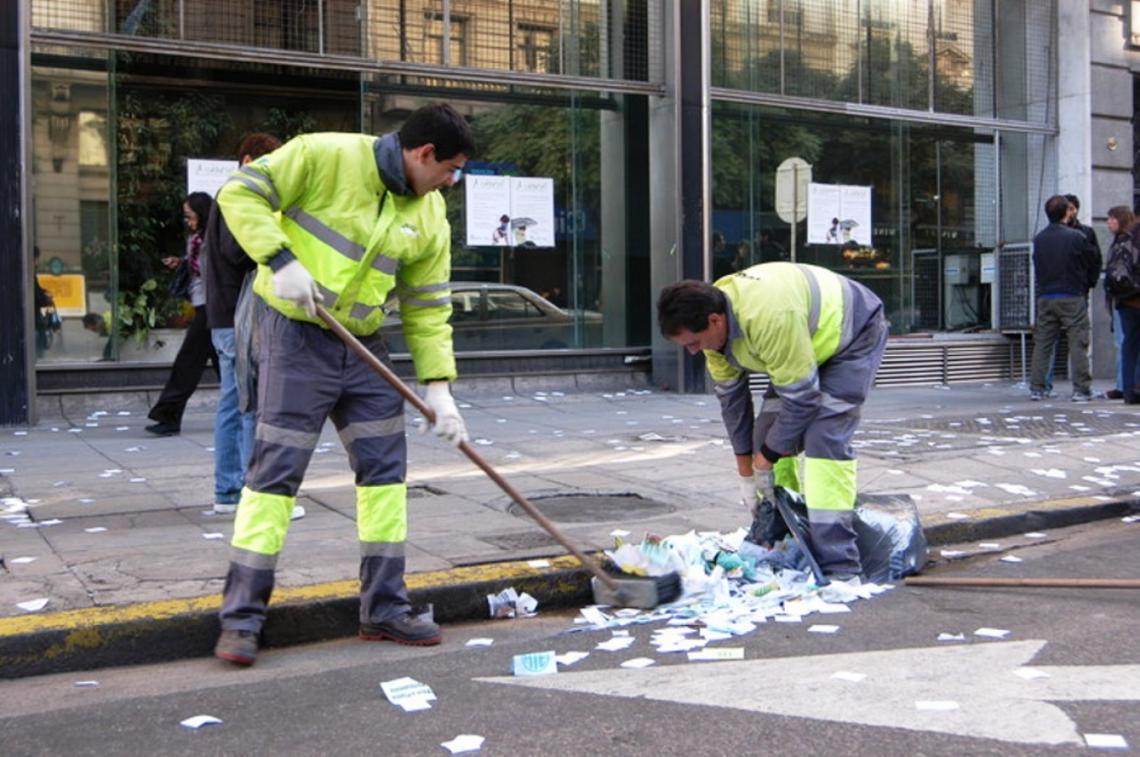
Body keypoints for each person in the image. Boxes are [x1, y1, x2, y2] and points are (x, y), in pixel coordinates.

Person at [212, 104, 475, 666]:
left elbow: (429, 307)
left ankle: (383, 609)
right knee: (273, 477)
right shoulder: (322, 154)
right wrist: (279, 258)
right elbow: (239, 193)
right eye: (449, 169)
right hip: (293, 332)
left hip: (363, 343)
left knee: (385, 478)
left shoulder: (430, 215)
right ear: (423, 154)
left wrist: (438, 388)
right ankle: (240, 621)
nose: (451, 182)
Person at [656, 262, 889, 582]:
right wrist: (746, 473)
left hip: (851, 336)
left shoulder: (768, 318)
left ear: (715, 320)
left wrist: (764, 461)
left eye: (694, 343)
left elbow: (803, 400)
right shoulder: (713, 331)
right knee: (766, 434)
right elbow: (733, 404)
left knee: (823, 439)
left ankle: (840, 564)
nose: (694, 352)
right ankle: (783, 534)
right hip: (800, 349)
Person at [200, 133, 293, 518]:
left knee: (236, 400)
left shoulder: (228, 196)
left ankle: (231, 489)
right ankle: (244, 492)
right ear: (249, 159)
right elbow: (239, 253)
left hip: (225, 314)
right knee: (246, 401)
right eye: (268, 166)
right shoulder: (237, 197)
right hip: (236, 316)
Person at [145, 192, 219, 435]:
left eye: (190, 216)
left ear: (202, 214)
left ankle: (168, 415)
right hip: (205, 307)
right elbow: (197, 267)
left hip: (212, 308)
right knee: (226, 369)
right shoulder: (196, 240)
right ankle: (255, 411)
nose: (187, 221)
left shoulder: (214, 238)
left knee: (187, 364)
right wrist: (182, 263)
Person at [1028, 195, 1101, 402]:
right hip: (1071, 293)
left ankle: (1038, 387)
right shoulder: (1076, 237)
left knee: (1043, 343)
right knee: (1078, 342)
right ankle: (1081, 389)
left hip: (1046, 295)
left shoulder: (1039, 239)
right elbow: (1090, 260)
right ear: (1065, 213)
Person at [1103, 206, 1140, 403]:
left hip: (1125, 300)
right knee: (1130, 345)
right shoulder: (1127, 241)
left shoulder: (1122, 242)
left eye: (1112, 219)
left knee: (1128, 345)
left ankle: (1128, 389)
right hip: (1131, 299)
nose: (1108, 222)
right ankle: (1131, 388)